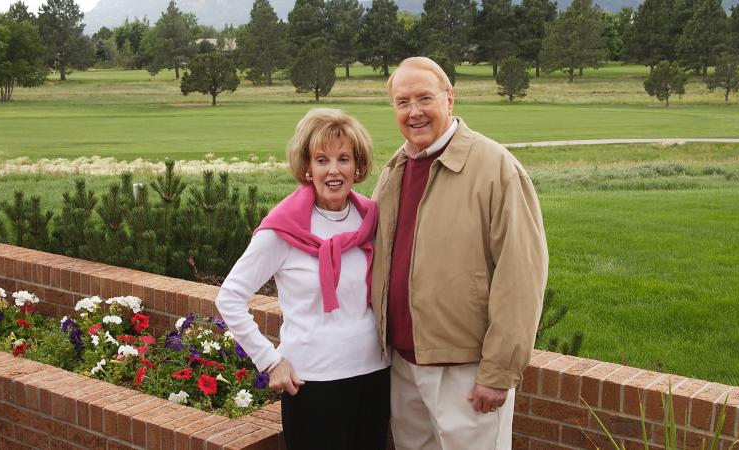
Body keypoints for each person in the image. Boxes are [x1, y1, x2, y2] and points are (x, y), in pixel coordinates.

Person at [370, 56, 549, 450]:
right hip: (404, 364)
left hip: (466, 372)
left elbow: (521, 276)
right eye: (402, 102)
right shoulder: (394, 170)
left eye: (424, 98)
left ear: (449, 98)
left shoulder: (496, 168)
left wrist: (499, 370)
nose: (414, 111)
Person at [215, 108, 390, 450]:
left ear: (358, 165)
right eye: (322, 160)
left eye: (344, 159)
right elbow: (229, 297)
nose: (334, 170)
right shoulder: (283, 228)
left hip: (374, 374)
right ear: (308, 168)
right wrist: (269, 361)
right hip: (313, 381)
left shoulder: (371, 219)